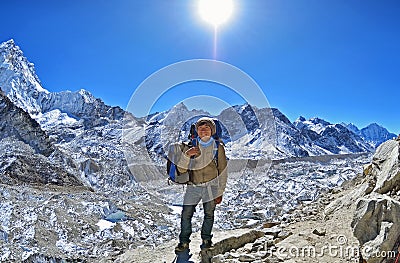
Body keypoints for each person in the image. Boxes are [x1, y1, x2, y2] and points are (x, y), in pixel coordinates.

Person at [174, 117, 228, 253]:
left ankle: (206, 240)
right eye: (200, 128)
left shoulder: (218, 147)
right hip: (193, 186)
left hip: (211, 187)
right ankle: (184, 242)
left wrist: (220, 191)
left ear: (212, 131)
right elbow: (181, 170)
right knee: (186, 214)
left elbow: (223, 171)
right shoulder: (190, 146)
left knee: (209, 214)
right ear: (197, 131)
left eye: (207, 128)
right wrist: (187, 155)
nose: (203, 131)